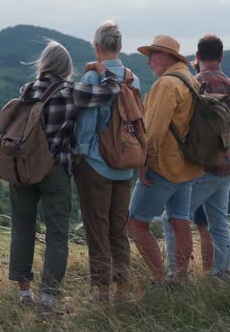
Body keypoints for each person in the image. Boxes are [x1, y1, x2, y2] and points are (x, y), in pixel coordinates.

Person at [8, 40, 120, 310]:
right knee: (57, 233)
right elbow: (112, 89)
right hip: (55, 169)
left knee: (22, 229)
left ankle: (25, 293)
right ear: (66, 67)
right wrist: (102, 68)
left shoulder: (26, 90)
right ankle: (48, 295)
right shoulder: (70, 91)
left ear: (44, 64)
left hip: (21, 169)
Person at [163, 34, 230, 280]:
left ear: (197, 57)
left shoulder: (193, 84)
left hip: (200, 167)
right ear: (221, 57)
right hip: (226, 166)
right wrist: (223, 149)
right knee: (218, 223)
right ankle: (220, 276)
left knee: (172, 219)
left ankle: (175, 275)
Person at [73, 20, 142, 303]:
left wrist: (80, 153)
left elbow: (87, 124)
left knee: (96, 226)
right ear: (121, 47)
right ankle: (122, 288)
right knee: (118, 229)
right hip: (125, 166)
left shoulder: (92, 79)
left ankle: (102, 291)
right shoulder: (133, 79)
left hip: (97, 164)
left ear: (97, 47)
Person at [127, 35, 203, 284]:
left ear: (167, 57)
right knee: (179, 220)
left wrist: (144, 161)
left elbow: (155, 129)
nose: (148, 61)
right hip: (187, 166)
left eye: (152, 55)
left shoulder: (166, 85)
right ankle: (179, 278)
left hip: (163, 166)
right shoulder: (190, 80)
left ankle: (160, 280)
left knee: (135, 224)